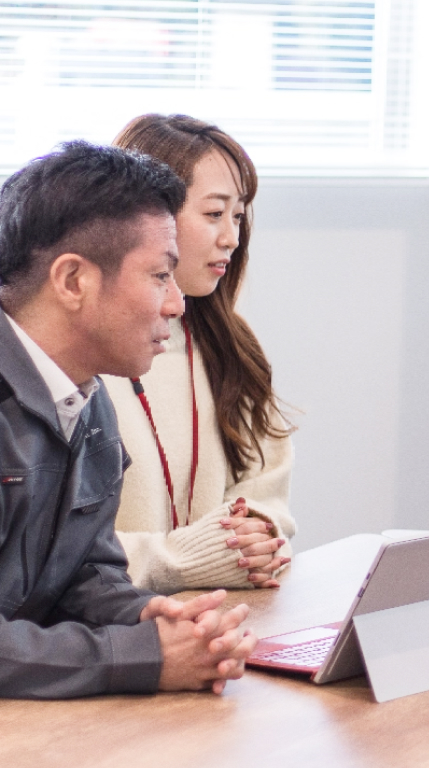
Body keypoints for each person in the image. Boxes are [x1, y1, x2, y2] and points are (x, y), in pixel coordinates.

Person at [0, 140, 257, 697]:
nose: (177, 304)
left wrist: (153, 621)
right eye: (160, 275)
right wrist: (137, 658)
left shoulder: (88, 397)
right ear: (72, 281)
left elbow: (85, 574)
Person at [105, 114, 295, 593]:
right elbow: (58, 557)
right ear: (148, 215)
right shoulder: (81, 356)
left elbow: (264, 485)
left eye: (237, 215)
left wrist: (255, 534)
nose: (231, 236)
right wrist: (187, 558)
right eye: (214, 214)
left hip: (223, 611)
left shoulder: (230, 340)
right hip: (115, 624)